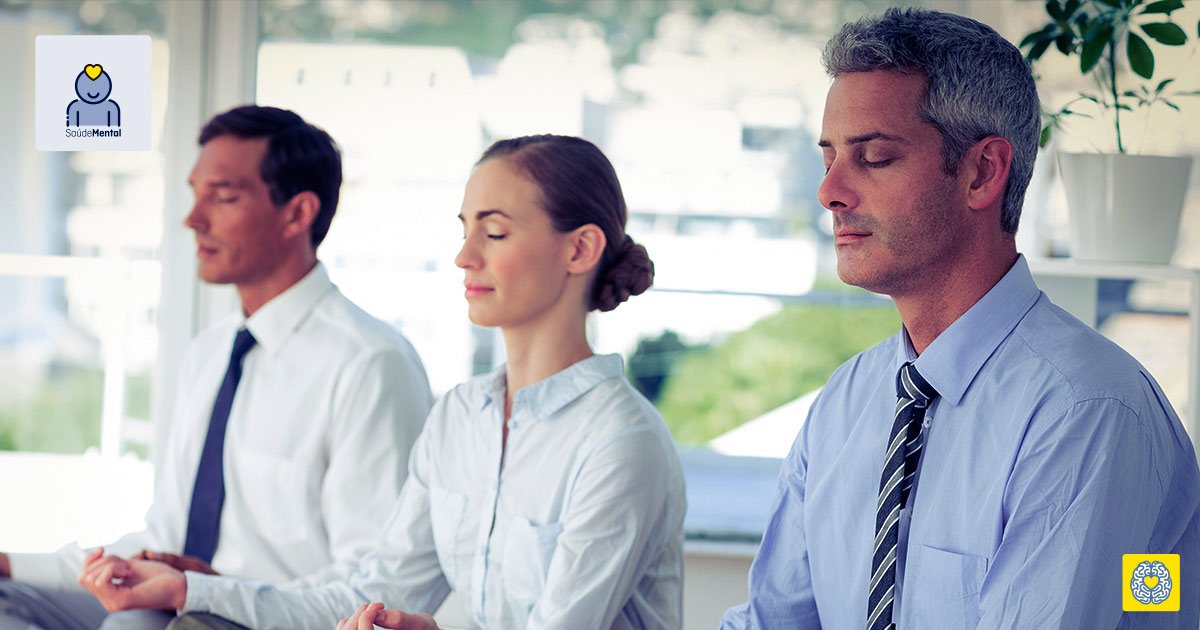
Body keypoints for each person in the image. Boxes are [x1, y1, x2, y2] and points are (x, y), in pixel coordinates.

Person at [77, 134, 687, 630]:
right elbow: (373, 590)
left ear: (579, 249)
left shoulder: (620, 441)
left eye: (494, 233)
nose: (464, 256)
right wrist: (193, 588)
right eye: (465, 229)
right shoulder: (459, 418)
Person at [721, 8, 1200, 630]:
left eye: (875, 158)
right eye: (830, 157)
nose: (830, 191)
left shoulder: (1089, 409)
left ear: (981, 172)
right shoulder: (846, 401)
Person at [0, 105, 433, 630]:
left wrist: (208, 591)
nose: (193, 218)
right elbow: (164, 540)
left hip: (274, 620)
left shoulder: (370, 364)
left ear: (297, 214)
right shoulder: (211, 353)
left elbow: (376, 589)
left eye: (223, 197)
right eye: (195, 193)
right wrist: (13, 563)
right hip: (180, 605)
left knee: (133, 627)